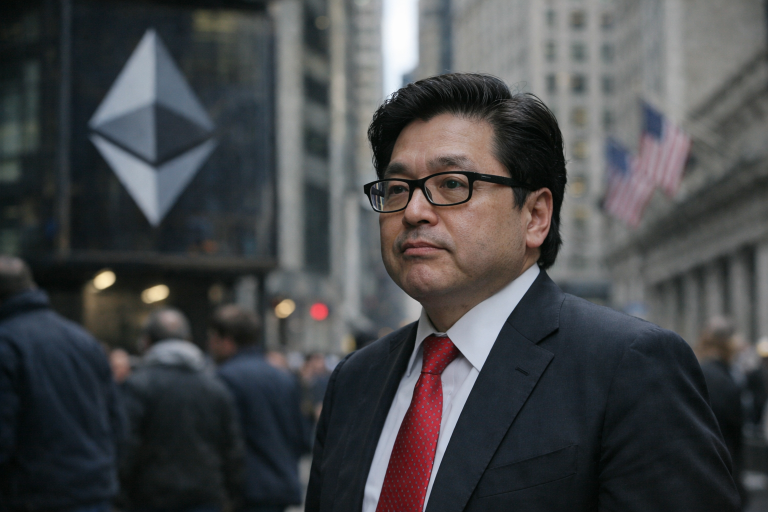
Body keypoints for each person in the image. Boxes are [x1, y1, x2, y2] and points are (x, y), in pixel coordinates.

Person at [305, 74, 740, 512]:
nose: (415, 211)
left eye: (452, 184)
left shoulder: (628, 367)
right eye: (398, 189)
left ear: (535, 216)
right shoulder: (354, 381)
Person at [0, 255, 125, 512]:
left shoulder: (7, 344)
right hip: (94, 494)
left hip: (32, 498)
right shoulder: (84, 341)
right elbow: (117, 423)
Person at [120, 308, 243, 512]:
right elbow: (231, 447)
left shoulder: (138, 385)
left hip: (151, 498)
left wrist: (121, 496)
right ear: (188, 340)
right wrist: (232, 494)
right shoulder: (214, 386)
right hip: (205, 496)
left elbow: (126, 445)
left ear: (147, 342)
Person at [209, 305, 309, 512]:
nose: (210, 346)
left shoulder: (224, 378)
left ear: (226, 341)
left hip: (246, 491)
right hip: (280, 487)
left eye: (213, 339)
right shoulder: (284, 378)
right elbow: (300, 436)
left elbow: (224, 441)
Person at [696, 316, 746, 509]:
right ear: (728, 342)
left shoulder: (698, 370)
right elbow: (733, 433)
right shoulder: (722, 379)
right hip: (721, 472)